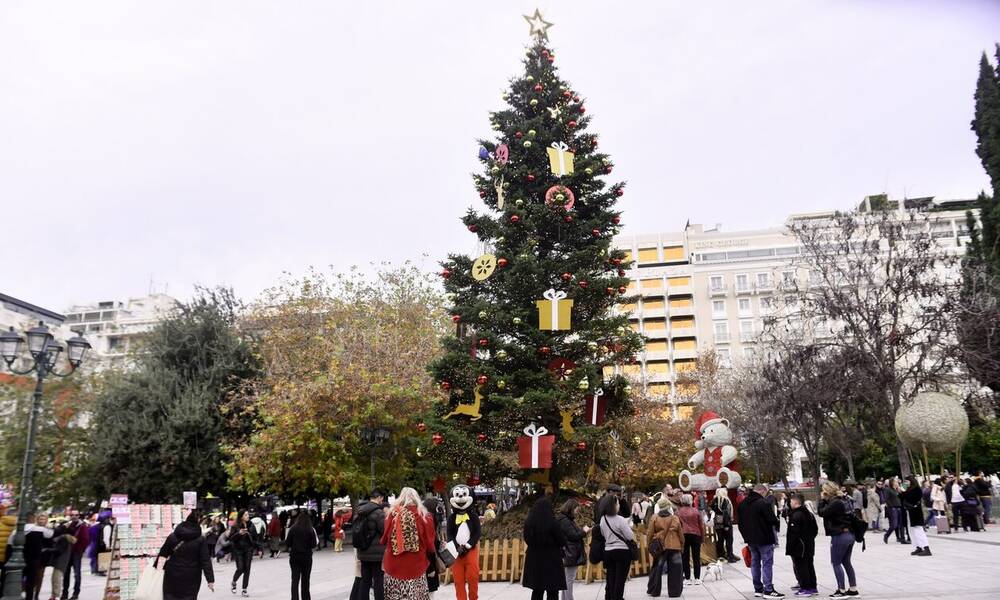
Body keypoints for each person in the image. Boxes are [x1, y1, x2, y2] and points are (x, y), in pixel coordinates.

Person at [380, 487, 437, 600]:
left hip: (393, 566)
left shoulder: (391, 515)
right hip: (416, 566)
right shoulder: (424, 516)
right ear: (416, 498)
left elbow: (384, 539)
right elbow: (430, 544)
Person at [737, 484, 784, 598]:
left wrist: (746, 537)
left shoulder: (743, 504)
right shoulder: (763, 503)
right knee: (767, 563)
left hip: (751, 540)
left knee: (755, 563)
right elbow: (772, 519)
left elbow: (740, 523)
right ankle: (768, 589)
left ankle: (758, 588)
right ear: (762, 491)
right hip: (764, 538)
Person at [158, 510, 214, 600]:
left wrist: (157, 569)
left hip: (172, 574)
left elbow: (163, 553)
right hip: (191, 576)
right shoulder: (200, 539)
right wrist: (210, 580)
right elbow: (205, 560)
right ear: (198, 522)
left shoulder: (172, 536)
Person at [817, 482, 860, 598]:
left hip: (840, 535)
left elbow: (821, 512)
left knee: (835, 562)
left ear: (827, 491)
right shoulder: (844, 499)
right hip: (850, 534)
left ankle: (841, 590)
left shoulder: (835, 502)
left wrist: (822, 500)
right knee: (846, 562)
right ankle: (853, 589)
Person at [522, 496, 567, 600]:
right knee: (552, 591)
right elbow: (561, 540)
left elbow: (527, 539)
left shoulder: (529, 523)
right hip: (552, 559)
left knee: (537, 590)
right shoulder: (553, 522)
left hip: (534, 559)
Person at [646, 497, 683, 598]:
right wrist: (682, 545)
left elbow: (650, 533)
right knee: (676, 570)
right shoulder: (675, 518)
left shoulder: (654, 517)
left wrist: (649, 545)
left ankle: (654, 590)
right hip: (674, 546)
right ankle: (674, 592)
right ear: (669, 506)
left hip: (660, 546)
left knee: (657, 568)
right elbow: (680, 534)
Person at [354, 489, 388, 600]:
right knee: (378, 581)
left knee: (365, 581)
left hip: (363, 552)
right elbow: (385, 531)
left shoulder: (360, 511)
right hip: (377, 555)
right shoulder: (379, 513)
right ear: (380, 498)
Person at [599, 495, 634, 600]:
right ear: (613, 505)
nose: (619, 505)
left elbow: (603, 534)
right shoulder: (620, 519)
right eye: (617, 503)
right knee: (620, 579)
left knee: (611, 578)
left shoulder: (603, 519)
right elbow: (630, 536)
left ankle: (610, 597)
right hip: (622, 552)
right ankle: (617, 597)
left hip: (608, 551)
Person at [785, 493, 818, 597]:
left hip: (799, 546)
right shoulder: (809, 513)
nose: (790, 503)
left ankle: (805, 588)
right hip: (808, 545)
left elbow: (793, 534)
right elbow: (815, 530)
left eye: (790, 501)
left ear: (795, 502)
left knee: (801, 567)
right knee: (809, 566)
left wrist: (790, 547)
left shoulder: (796, 515)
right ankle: (813, 587)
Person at [556, 499, 589, 600]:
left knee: (567, 579)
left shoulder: (567, 519)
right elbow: (573, 536)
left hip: (570, 551)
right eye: (576, 509)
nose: (577, 512)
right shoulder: (565, 520)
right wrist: (584, 531)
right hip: (570, 552)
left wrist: (583, 531)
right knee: (569, 579)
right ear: (571, 508)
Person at [285, 511, 318, 600]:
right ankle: (306, 598)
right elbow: (314, 544)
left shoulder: (293, 528)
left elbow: (287, 543)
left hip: (295, 557)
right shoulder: (310, 529)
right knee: (306, 580)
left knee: (295, 580)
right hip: (306, 557)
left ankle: (294, 598)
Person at [60, 510, 88, 600]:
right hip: (68, 553)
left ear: (79, 516)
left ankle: (76, 594)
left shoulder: (82, 526)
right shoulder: (68, 525)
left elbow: (86, 540)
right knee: (66, 574)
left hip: (76, 553)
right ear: (70, 516)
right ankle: (65, 593)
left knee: (77, 574)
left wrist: (80, 549)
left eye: (76, 515)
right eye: (72, 515)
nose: (74, 516)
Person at [676, 494, 703, 586]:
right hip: (696, 535)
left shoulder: (678, 512)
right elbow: (701, 525)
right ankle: (697, 578)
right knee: (696, 557)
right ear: (691, 501)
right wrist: (702, 537)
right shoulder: (696, 511)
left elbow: (677, 525)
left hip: (684, 535)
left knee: (685, 557)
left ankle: (687, 578)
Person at [229, 510, 257, 596]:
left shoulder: (251, 525)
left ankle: (244, 589)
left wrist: (259, 549)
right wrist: (239, 533)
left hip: (248, 549)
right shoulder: (235, 526)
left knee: (247, 569)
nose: (248, 516)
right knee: (240, 568)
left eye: (248, 514)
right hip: (238, 550)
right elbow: (231, 538)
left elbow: (255, 538)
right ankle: (234, 582)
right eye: (246, 515)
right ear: (241, 516)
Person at [901, 476, 931, 556]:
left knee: (918, 530)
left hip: (916, 512)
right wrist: (903, 488)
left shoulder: (917, 489)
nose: (906, 483)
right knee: (912, 531)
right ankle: (918, 547)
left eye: (907, 481)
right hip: (909, 512)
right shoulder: (907, 489)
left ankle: (926, 548)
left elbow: (912, 499)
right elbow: (900, 498)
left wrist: (905, 491)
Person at [49, 521, 75, 600]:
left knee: (56, 579)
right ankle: (54, 595)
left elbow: (59, 550)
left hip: (60, 560)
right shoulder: (67, 538)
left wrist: (48, 550)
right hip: (63, 560)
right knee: (56, 578)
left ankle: (56, 596)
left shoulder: (64, 538)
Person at [710, 487, 737, 562]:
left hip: (718, 523)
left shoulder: (715, 500)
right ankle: (730, 556)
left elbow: (710, 509)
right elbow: (726, 513)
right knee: (729, 540)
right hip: (725, 522)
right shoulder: (725, 500)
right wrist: (727, 525)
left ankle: (720, 555)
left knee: (720, 539)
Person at [882, 479, 903, 544]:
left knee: (900, 524)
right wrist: (892, 507)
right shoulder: (888, 489)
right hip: (893, 508)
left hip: (899, 507)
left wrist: (899, 489)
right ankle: (886, 535)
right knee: (894, 524)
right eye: (896, 482)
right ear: (892, 482)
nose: (897, 483)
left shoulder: (896, 489)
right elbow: (886, 499)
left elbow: (901, 496)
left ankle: (900, 538)